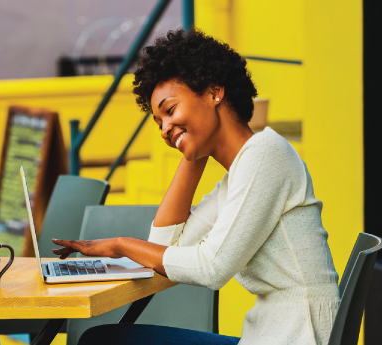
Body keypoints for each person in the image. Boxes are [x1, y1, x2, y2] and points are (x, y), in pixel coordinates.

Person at [52, 28, 340, 345]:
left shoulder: (265, 156)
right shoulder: (240, 173)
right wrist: (193, 150)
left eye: (170, 110)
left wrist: (121, 244)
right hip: (269, 335)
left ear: (214, 92)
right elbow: (166, 245)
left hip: (299, 336)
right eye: (159, 122)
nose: (163, 130)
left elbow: (211, 268)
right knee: (106, 339)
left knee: (105, 342)